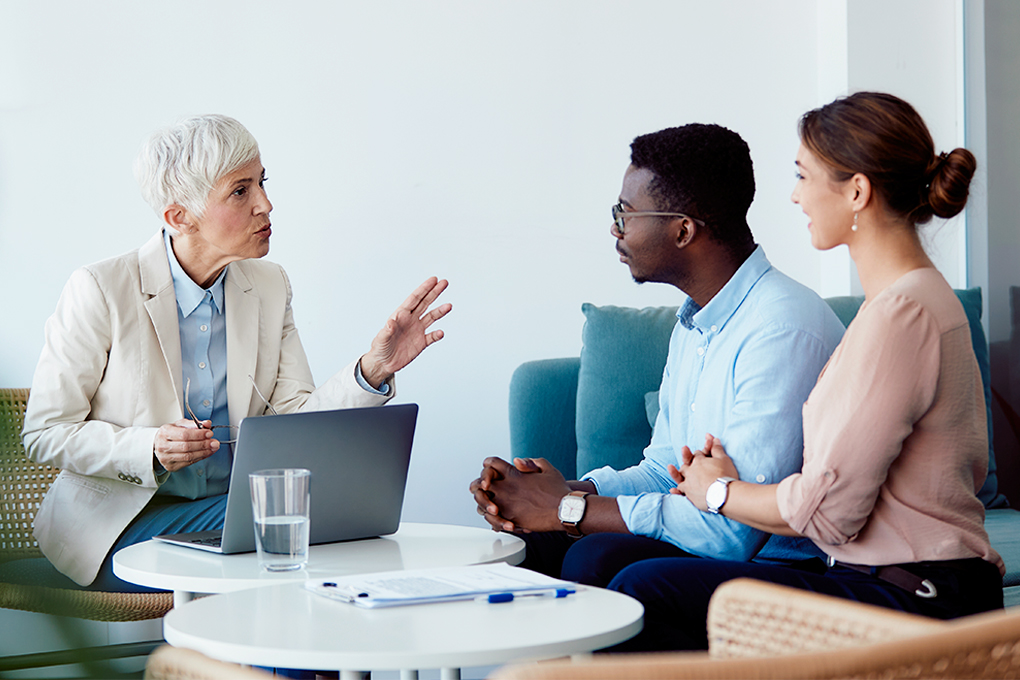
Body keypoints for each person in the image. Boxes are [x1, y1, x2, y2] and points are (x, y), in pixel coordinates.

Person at [605, 91, 1005, 652]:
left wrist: (717, 491)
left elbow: (830, 513)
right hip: (889, 580)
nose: (795, 196)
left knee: (648, 587)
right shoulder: (899, 304)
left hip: (917, 594)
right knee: (627, 572)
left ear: (857, 191)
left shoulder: (903, 313)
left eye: (804, 175)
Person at [21, 114, 451, 591]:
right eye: (240, 191)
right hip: (120, 527)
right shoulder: (101, 289)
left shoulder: (269, 285)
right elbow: (45, 433)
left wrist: (374, 369)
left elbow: (296, 420)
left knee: (318, 530)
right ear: (179, 216)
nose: (266, 204)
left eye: (262, 183)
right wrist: (150, 448)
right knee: (298, 532)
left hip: (237, 514)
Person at [469, 124, 845, 586]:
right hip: (706, 542)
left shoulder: (782, 329)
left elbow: (731, 532)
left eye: (625, 214)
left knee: (596, 558)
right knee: (523, 544)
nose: (615, 228)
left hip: (774, 565)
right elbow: (665, 472)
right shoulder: (695, 322)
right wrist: (558, 492)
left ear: (683, 230)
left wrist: (567, 509)